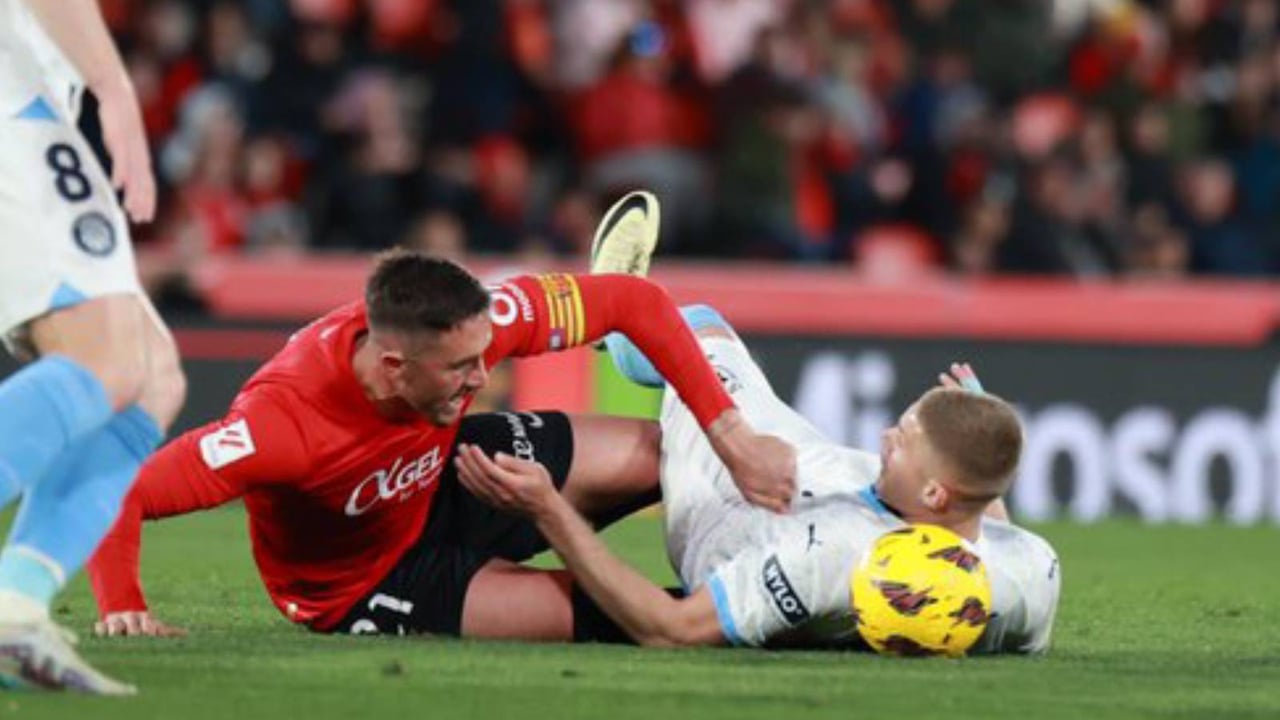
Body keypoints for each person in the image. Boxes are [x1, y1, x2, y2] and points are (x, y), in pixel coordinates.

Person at [87, 192, 797, 643]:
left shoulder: (466, 329)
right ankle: (807, 609)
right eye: (462, 369)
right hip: (371, 580)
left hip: (446, 473)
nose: (484, 377)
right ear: (393, 367)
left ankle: (809, 536)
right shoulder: (283, 428)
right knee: (624, 612)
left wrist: (729, 437)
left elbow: (631, 301)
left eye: (484, 356)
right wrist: (122, 604)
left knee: (660, 448)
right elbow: (120, 489)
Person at [456, 309, 1062, 652]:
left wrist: (549, 511)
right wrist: (980, 451)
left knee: (695, 327)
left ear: (934, 493)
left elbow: (669, 630)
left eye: (902, 439)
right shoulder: (1032, 574)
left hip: (736, 504)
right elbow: (986, 530)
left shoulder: (822, 556)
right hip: (837, 478)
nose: (886, 437)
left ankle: (615, 324)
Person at [0, 0, 186, 694]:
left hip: (32, 88)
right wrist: (113, 87)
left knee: (150, 377)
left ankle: (13, 609)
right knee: (107, 360)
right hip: (14, 91)